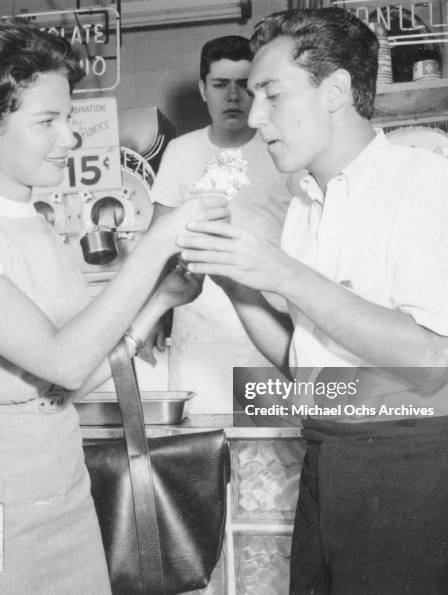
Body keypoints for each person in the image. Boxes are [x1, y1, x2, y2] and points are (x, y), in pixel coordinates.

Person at [0, 19, 228, 595]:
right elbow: (60, 361)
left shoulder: (38, 226)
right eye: (48, 121)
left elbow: (78, 377)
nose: (70, 138)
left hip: (61, 480)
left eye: (68, 118)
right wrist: (160, 240)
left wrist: (159, 300)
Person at [177, 8, 448, 594]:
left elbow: (432, 360)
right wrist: (236, 280)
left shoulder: (423, 180)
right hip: (329, 452)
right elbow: (304, 366)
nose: (256, 118)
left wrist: (284, 273)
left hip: (411, 463)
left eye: (271, 94)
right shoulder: (307, 205)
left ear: (336, 90)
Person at [151, 35, 292, 413]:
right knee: (204, 461)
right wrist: (152, 313)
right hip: (199, 337)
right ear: (202, 89)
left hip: (271, 339)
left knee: (276, 462)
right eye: (219, 85)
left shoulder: (283, 150)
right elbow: (157, 245)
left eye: (243, 85)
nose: (232, 97)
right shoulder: (180, 152)